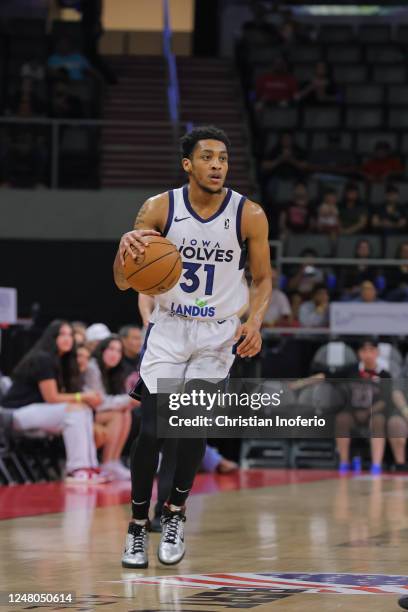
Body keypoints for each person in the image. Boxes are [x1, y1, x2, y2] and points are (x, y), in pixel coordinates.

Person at [113, 125, 272, 568]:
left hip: (218, 334)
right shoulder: (159, 207)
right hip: (169, 329)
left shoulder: (249, 214)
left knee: (191, 428)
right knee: (151, 432)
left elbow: (262, 279)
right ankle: (136, 525)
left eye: (223, 157)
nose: (217, 164)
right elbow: (123, 280)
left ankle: (176, 512)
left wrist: (254, 322)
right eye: (207, 157)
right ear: (188, 164)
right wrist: (122, 250)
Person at [0, 320, 106, 484]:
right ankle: (76, 469)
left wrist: (84, 398)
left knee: (83, 409)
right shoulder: (43, 359)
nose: (67, 338)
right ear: (51, 337)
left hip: (36, 412)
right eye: (61, 334)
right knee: (76, 409)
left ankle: (90, 466)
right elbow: (52, 398)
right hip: (13, 414)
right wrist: (82, 396)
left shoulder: (61, 361)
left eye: (70, 335)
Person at [83, 335, 138, 480]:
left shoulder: (115, 372)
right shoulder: (92, 367)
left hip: (97, 412)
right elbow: (100, 402)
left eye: (119, 351)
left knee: (125, 412)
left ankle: (114, 461)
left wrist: (127, 401)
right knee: (118, 414)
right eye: (111, 349)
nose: (115, 354)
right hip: (86, 411)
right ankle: (107, 462)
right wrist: (129, 399)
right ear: (102, 350)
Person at [335, 339, 392, 475]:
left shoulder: (384, 375)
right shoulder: (350, 371)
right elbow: (339, 390)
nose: (368, 354)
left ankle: (376, 465)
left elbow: (385, 400)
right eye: (364, 351)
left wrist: (368, 412)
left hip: (374, 413)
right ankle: (344, 462)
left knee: (378, 421)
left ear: (377, 352)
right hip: (352, 413)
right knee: (341, 419)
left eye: (371, 350)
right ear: (359, 353)